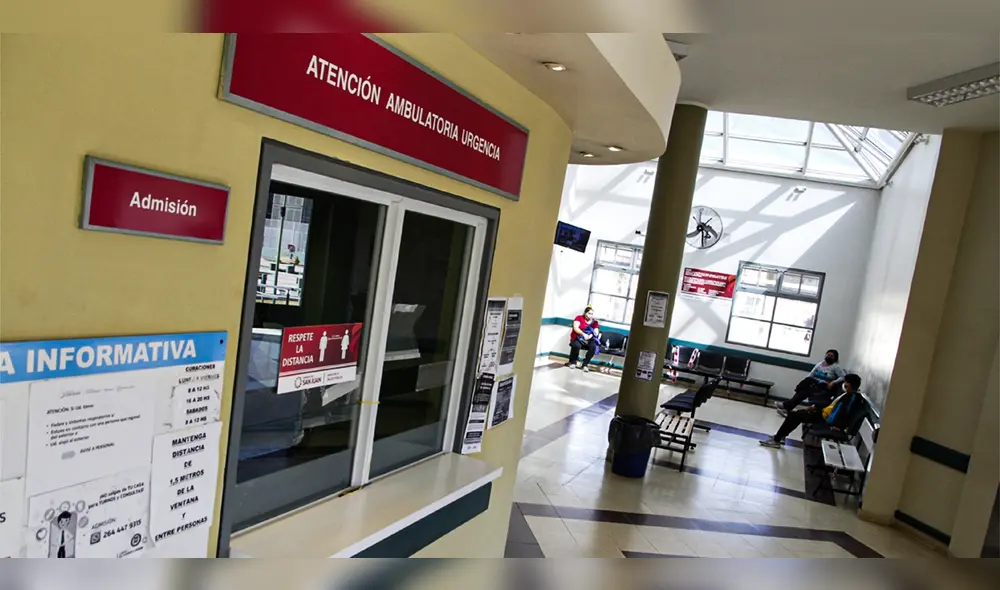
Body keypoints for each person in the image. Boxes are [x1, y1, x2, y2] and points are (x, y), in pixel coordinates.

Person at [760, 373, 863, 448]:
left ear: (851, 385)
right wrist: (816, 407)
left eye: (846, 383)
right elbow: (832, 407)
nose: (844, 384)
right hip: (823, 413)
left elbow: (843, 414)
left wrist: (837, 426)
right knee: (795, 414)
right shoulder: (846, 395)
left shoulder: (851, 398)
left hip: (826, 420)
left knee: (794, 416)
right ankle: (780, 437)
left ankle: (777, 440)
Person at [775, 349, 847, 416]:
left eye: (831, 356)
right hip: (815, 385)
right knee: (804, 391)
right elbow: (811, 374)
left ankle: (786, 404)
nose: (829, 357)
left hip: (824, 387)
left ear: (835, 358)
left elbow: (844, 377)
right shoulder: (819, 364)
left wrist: (834, 382)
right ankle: (787, 408)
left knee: (807, 385)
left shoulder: (836, 367)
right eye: (828, 355)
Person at [566, 305, 601, 371]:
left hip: (588, 339)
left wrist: (590, 336)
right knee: (576, 345)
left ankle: (585, 364)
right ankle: (573, 362)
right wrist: (583, 334)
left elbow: (596, 332)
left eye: (592, 314)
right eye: (589, 313)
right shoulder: (579, 318)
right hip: (578, 338)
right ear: (585, 313)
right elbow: (575, 328)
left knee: (593, 346)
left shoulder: (594, 322)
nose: (590, 315)